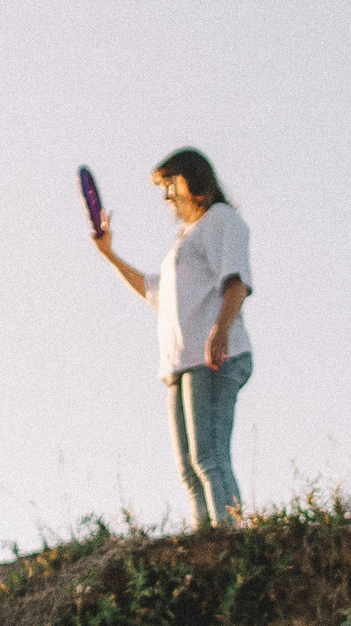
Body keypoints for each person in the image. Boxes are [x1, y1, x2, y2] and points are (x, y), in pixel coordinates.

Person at [92, 148, 253, 529]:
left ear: (196, 182)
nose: (167, 196)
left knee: (209, 459)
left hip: (212, 357)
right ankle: (206, 543)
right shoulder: (185, 240)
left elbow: (237, 282)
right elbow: (154, 291)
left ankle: (230, 543)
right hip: (181, 364)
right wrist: (109, 255)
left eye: (171, 184)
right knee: (189, 468)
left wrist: (221, 331)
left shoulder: (222, 221)